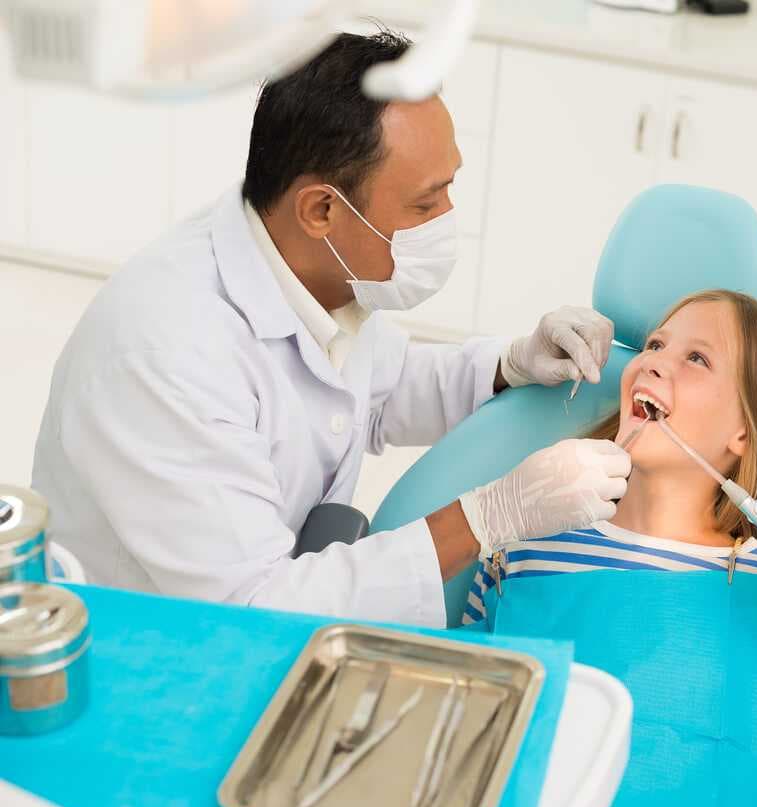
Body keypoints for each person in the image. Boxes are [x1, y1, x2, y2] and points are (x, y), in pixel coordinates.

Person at [31, 31, 629, 627]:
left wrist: (510, 364)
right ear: (321, 210)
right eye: (425, 205)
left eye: (450, 187)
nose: (449, 220)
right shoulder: (170, 356)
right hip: (147, 647)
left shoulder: (310, 270)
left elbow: (376, 388)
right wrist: (487, 519)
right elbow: (256, 607)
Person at [460, 288, 757, 622]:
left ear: (745, 432)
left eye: (697, 358)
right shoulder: (521, 548)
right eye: (655, 345)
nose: (651, 363)